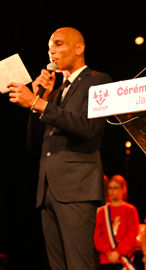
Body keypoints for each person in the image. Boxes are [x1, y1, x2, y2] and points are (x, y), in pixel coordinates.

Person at [7, 27, 112, 270]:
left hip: (76, 188)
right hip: (48, 189)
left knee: (78, 265)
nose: (51, 50)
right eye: (48, 47)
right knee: (58, 265)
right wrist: (39, 98)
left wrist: (38, 103)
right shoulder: (54, 94)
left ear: (79, 48)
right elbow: (34, 143)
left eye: (59, 43)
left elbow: (88, 126)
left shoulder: (97, 80)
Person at [94, 174, 140, 270]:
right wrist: (108, 252)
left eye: (115, 188)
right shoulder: (103, 211)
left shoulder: (130, 210)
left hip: (124, 259)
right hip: (106, 259)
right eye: (110, 188)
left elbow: (132, 234)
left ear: (123, 189)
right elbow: (97, 236)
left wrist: (118, 252)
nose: (112, 191)